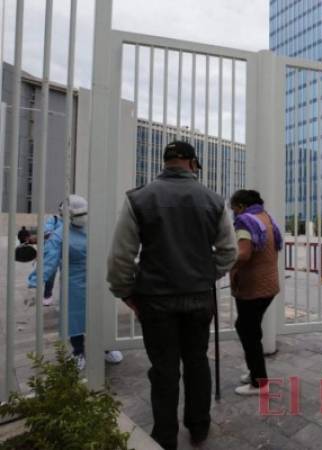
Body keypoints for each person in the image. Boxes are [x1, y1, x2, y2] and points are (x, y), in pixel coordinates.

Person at [106, 141, 237, 450]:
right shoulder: (214, 200)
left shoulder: (139, 198)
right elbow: (228, 252)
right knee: (197, 362)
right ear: (192, 163)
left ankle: (165, 437)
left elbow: (120, 257)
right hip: (198, 297)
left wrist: (124, 291)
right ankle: (199, 428)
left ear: (165, 163)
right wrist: (206, 275)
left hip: (155, 299)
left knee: (163, 369)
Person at [28, 195, 124, 369]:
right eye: (78, 214)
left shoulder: (94, 228)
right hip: (73, 283)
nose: (83, 216)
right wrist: (34, 283)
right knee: (75, 318)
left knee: (100, 314)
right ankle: (78, 351)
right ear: (68, 216)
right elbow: (49, 261)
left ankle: (105, 348)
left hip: (97, 279)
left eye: (85, 212)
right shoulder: (60, 235)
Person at [229, 189, 281, 396]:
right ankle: (255, 372)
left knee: (247, 331)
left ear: (240, 206)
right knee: (251, 329)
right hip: (268, 286)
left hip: (252, 287)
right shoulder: (265, 218)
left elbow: (243, 254)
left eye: (233, 208)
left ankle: (259, 382)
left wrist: (221, 260)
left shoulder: (244, 221)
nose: (233, 212)